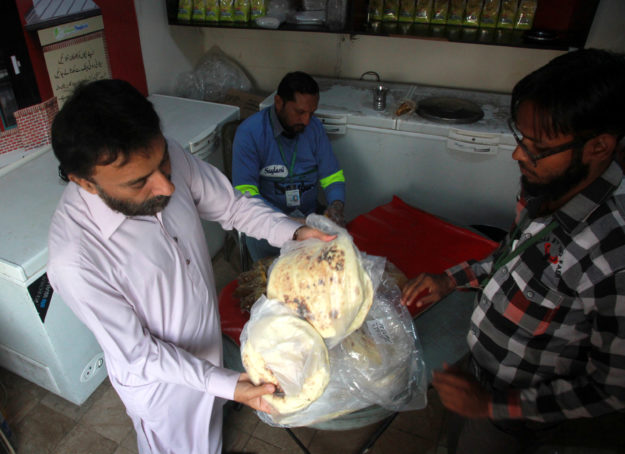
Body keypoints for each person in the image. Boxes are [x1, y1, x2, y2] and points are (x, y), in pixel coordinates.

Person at [47, 79, 334, 454]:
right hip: (165, 388)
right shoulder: (76, 259)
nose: (166, 187)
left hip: (208, 345)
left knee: (211, 435)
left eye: (163, 161)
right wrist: (229, 385)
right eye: (139, 183)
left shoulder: (160, 158)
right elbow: (139, 353)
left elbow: (231, 206)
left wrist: (295, 233)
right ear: (85, 183)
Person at [401, 48, 625, 453]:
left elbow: (612, 388)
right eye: (522, 138)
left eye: (537, 147)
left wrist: (491, 405)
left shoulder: (613, 255)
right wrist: (449, 281)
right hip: (482, 377)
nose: (518, 154)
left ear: (598, 147)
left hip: (521, 418)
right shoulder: (545, 188)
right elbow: (512, 257)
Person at [232, 71, 346, 261]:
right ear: (279, 102)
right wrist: (291, 223)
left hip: (309, 220)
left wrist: (336, 204)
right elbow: (246, 194)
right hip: (266, 224)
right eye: (300, 112)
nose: (307, 121)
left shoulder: (314, 128)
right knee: (271, 279)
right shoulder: (250, 133)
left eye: (312, 113)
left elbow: (332, 175)